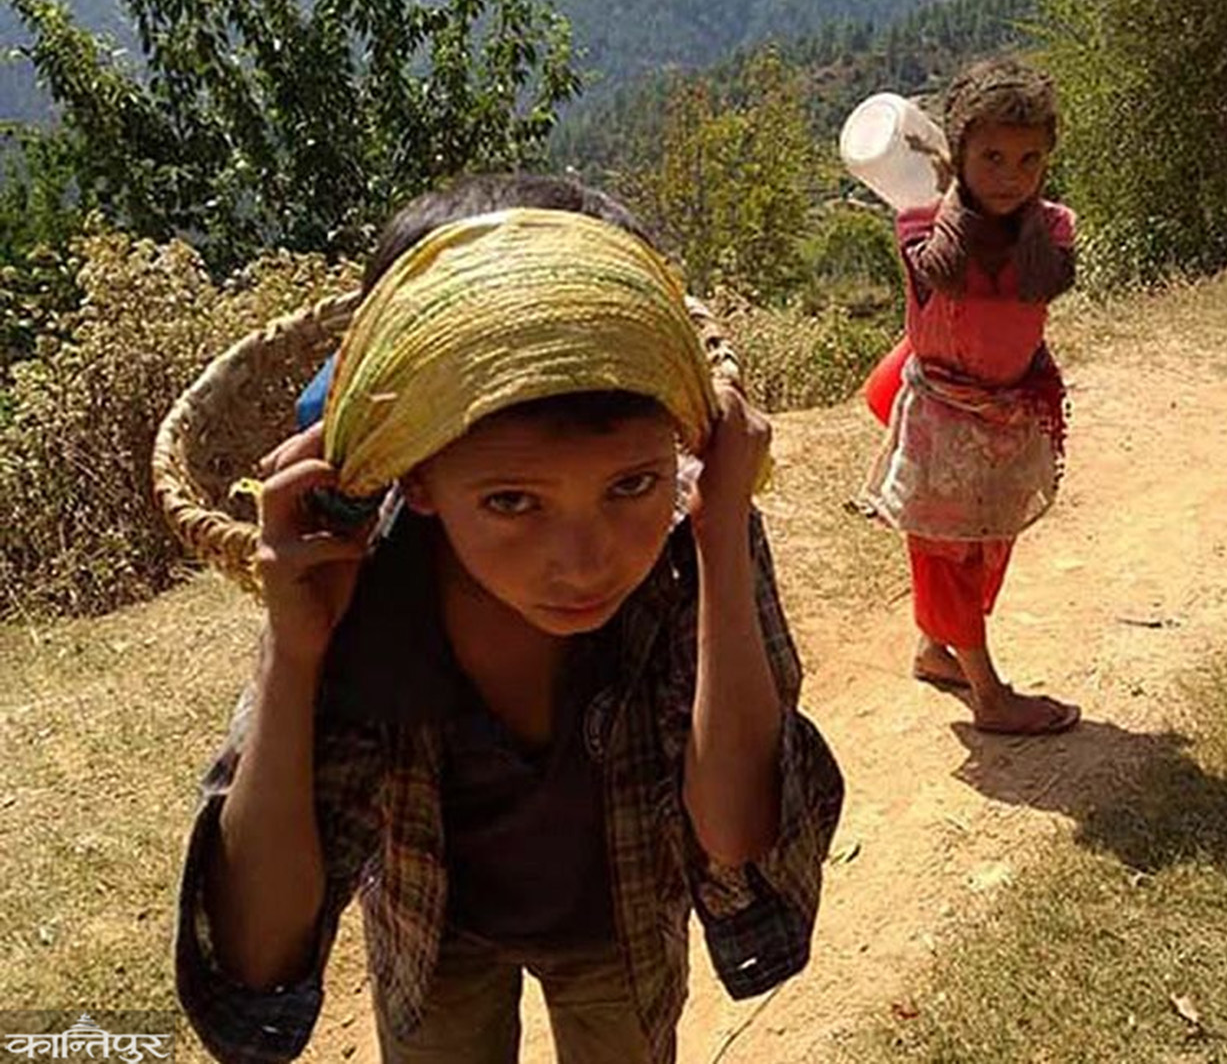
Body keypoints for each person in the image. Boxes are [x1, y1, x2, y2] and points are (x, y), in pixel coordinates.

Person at [173, 175, 844, 1064]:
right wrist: (294, 658)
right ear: (414, 476)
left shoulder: (696, 532)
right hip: (433, 930)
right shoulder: (357, 575)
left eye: (631, 483)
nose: (585, 559)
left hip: (620, 927)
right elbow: (257, 947)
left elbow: (738, 831)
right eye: (512, 500)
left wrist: (721, 539)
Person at [860, 56, 1081, 735]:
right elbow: (948, 273)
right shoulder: (922, 227)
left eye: (1028, 159)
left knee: (988, 541)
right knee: (945, 550)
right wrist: (956, 198)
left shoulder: (1054, 229)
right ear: (957, 154)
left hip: (1008, 409)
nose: (1011, 176)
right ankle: (988, 692)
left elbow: (1045, 280)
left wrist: (1020, 219)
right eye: (990, 157)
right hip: (943, 417)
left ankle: (939, 648)